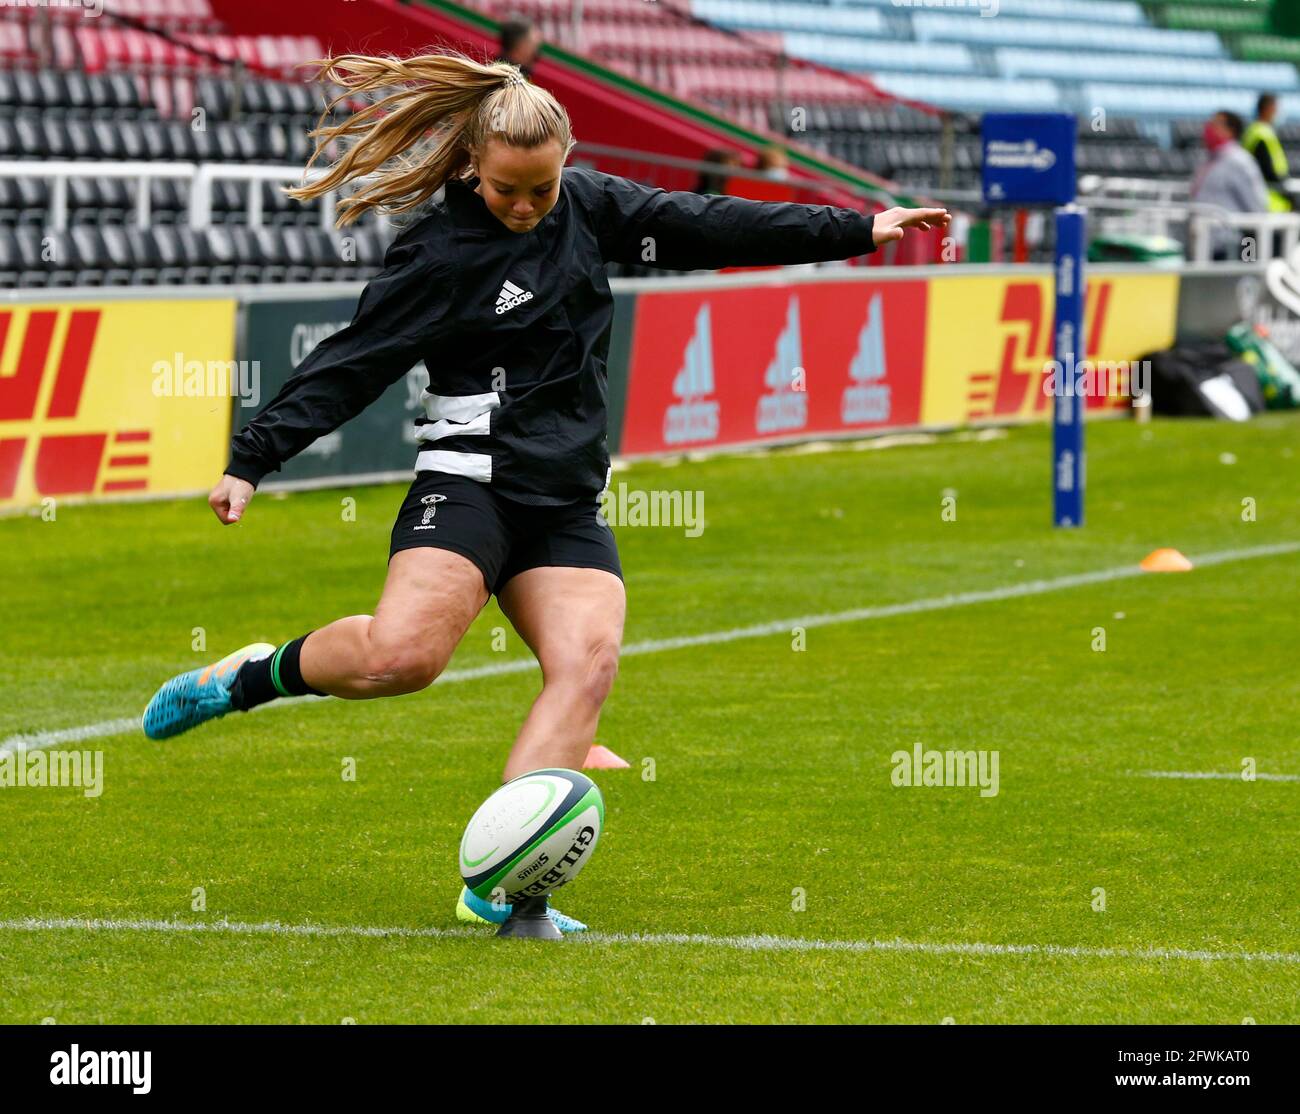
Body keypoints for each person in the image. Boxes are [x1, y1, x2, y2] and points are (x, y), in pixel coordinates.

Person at [140, 49, 949, 932]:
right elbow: (353, 361)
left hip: (563, 496)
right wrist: (252, 457)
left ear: (565, 163)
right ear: (473, 168)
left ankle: (510, 891)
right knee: (401, 660)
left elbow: (709, 222)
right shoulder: (439, 251)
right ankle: (248, 676)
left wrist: (854, 230)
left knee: (587, 666)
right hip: (469, 481)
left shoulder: (593, 206)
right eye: (505, 192)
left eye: (541, 191)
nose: (525, 208)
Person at [1190, 110, 1270, 261]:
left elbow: (1256, 207)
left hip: (1229, 247)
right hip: (1204, 244)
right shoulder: (1207, 159)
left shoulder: (1240, 162)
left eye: (1215, 124)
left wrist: (1249, 254)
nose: (1208, 128)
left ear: (1230, 131)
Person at [1243, 93, 1293, 214]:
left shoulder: (1255, 131)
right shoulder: (1261, 134)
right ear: (1267, 109)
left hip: (1266, 200)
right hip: (1268, 201)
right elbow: (1266, 170)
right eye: (1276, 109)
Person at [495, 15, 541, 80]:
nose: (537, 53)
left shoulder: (496, 72)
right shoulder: (508, 81)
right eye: (534, 46)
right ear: (521, 47)